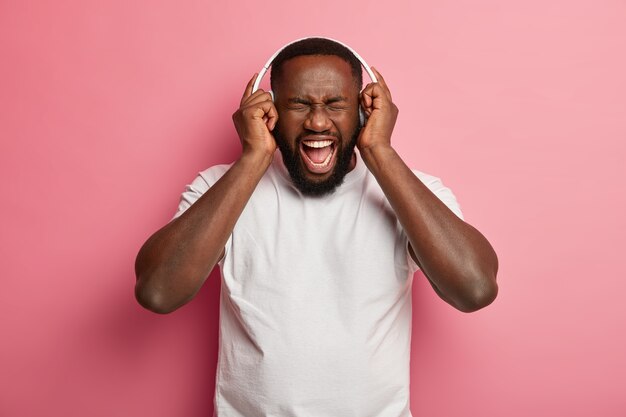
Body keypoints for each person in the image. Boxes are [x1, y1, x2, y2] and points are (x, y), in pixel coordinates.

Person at [135, 38, 498, 417]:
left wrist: (380, 151)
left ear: (362, 112)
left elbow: (474, 289)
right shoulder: (220, 188)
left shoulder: (412, 193)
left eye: (336, 104)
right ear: (269, 112)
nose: (318, 122)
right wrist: (253, 158)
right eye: (299, 104)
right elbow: (158, 292)